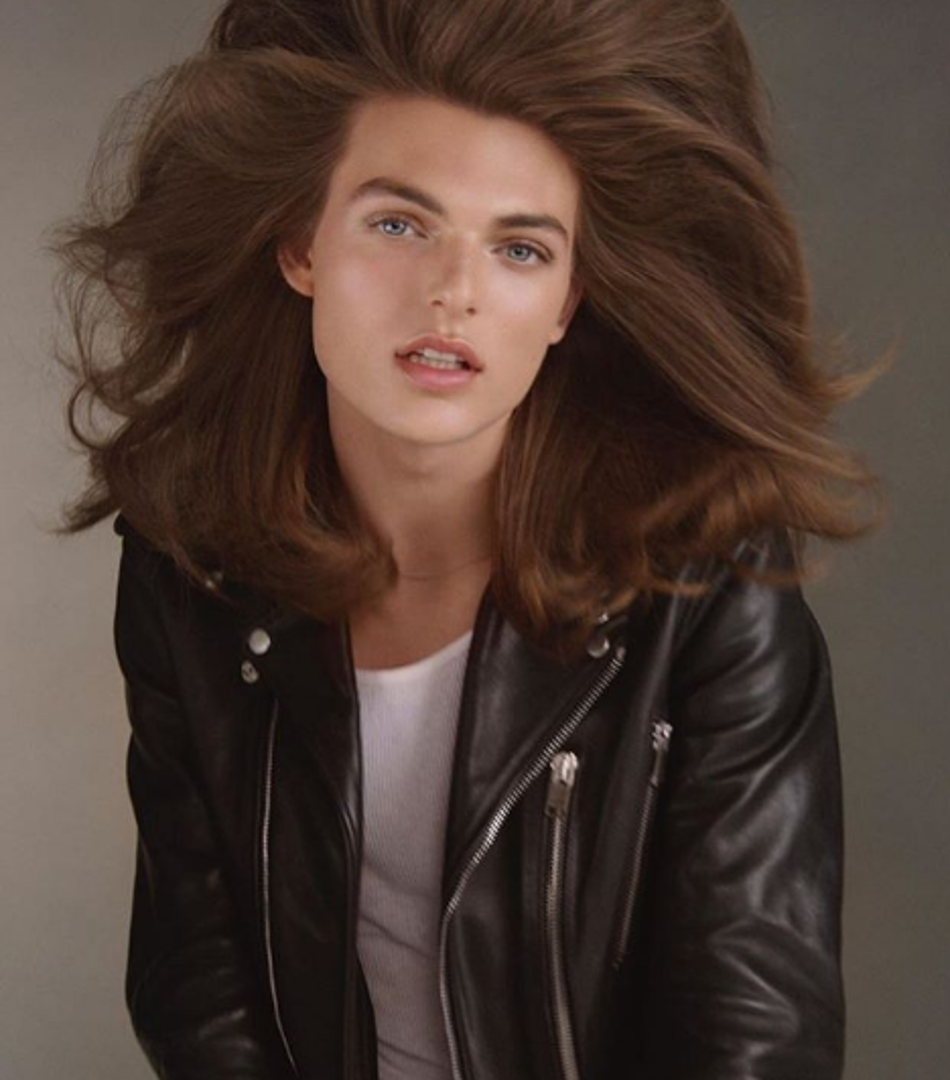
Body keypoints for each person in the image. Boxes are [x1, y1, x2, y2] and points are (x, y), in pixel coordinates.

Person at [50, 0, 889, 1077]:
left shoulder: (706, 583)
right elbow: (198, 988)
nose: (453, 293)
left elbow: (754, 1031)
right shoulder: (194, 571)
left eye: (520, 249)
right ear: (300, 243)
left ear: (567, 301)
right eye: (399, 225)